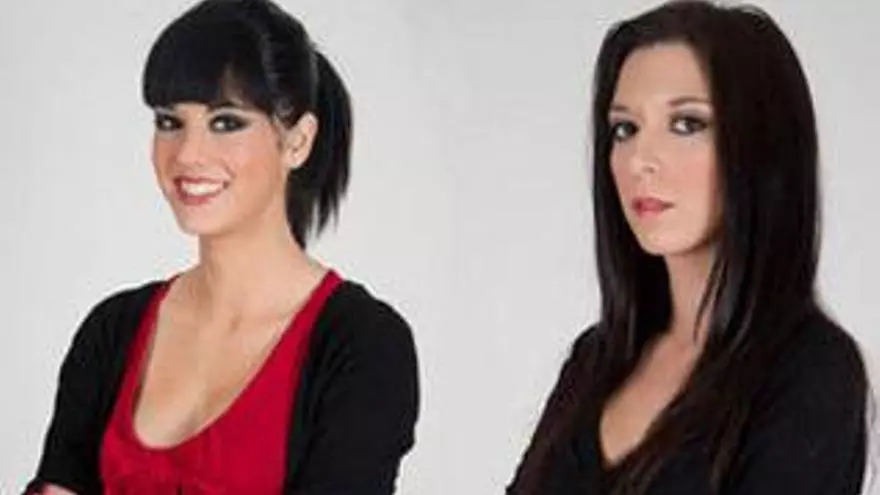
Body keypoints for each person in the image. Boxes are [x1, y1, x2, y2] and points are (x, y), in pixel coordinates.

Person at [26, 0, 418, 493]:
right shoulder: (112, 331)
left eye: (226, 122)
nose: (187, 154)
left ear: (297, 142)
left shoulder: (361, 345)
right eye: (170, 122)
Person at [507, 1, 869, 493]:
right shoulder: (595, 357)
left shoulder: (811, 371)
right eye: (625, 129)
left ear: (761, 145)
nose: (640, 159)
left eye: (687, 124)